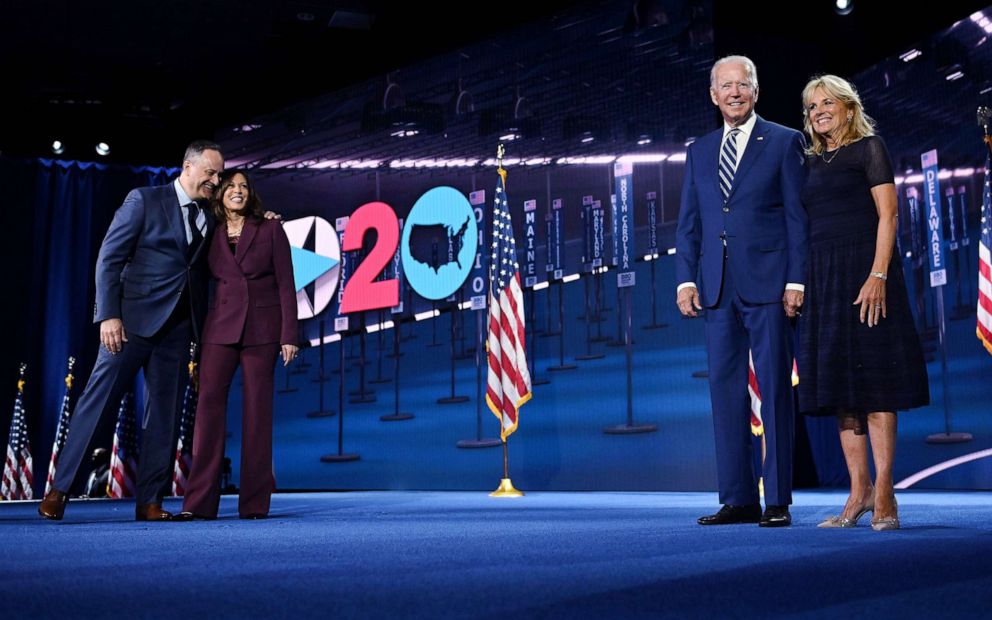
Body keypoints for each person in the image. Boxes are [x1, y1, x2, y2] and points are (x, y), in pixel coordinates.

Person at [39, 140, 223, 521]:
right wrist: (108, 315)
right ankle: (59, 491)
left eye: (219, 174)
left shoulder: (210, 213)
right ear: (188, 167)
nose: (215, 180)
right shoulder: (144, 199)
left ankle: (150, 501)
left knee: (165, 417)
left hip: (178, 329)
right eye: (211, 172)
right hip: (129, 324)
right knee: (97, 404)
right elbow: (110, 257)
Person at [676, 55, 808, 528]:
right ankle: (737, 499)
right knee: (724, 393)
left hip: (770, 285)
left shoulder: (786, 141)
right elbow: (689, 222)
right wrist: (686, 278)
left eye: (742, 85)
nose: (734, 93)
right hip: (715, 288)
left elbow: (797, 217)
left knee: (773, 392)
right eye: (725, 86)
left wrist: (796, 279)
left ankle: (776, 500)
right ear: (713, 96)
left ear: (755, 90)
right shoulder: (699, 150)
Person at [798, 75, 928, 531]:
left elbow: (888, 214)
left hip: (868, 274)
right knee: (841, 393)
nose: (818, 112)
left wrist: (878, 275)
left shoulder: (869, 148)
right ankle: (859, 493)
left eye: (827, 102)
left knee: (876, 387)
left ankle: (887, 491)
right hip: (825, 280)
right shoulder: (811, 162)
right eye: (812, 106)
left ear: (849, 107)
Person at [176, 170, 298, 521]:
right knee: (208, 413)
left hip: (263, 330)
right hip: (219, 330)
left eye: (244, 187)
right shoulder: (208, 231)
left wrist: (289, 335)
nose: (238, 191)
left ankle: (255, 504)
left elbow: (287, 285)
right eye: (231, 186)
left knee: (258, 414)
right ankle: (198, 504)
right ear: (220, 194)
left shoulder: (271, 228)